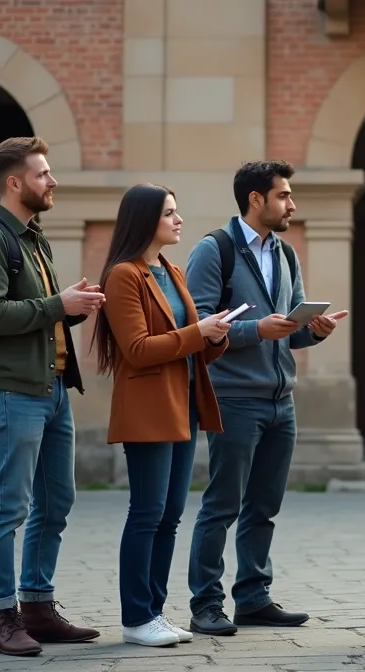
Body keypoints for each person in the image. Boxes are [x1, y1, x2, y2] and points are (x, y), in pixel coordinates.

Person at [183, 160, 348, 635]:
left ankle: (253, 598)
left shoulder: (286, 253)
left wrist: (313, 331)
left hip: (281, 400)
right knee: (222, 505)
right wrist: (257, 328)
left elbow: (288, 335)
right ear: (256, 199)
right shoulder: (214, 251)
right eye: (283, 196)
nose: (291, 204)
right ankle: (205, 605)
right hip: (234, 399)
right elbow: (201, 328)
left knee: (264, 507)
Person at [0, 136, 103, 656]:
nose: (53, 181)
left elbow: (40, 312)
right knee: (8, 507)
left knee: (56, 502)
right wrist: (56, 304)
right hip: (13, 393)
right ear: (15, 182)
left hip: (53, 390)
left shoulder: (32, 237)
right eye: (43, 174)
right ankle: (2, 619)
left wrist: (70, 307)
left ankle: (38, 608)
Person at [92, 184, 231, 646]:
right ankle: (136, 617)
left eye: (177, 211)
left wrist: (214, 337)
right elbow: (136, 350)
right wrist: (198, 332)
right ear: (145, 218)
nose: (178, 220)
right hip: (149, 408)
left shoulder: (171, 270)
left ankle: (154, 611)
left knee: (171, 514)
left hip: (185, 403)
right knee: (148, 512)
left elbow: (189, 348)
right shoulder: (123, 276)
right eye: (169, 213)